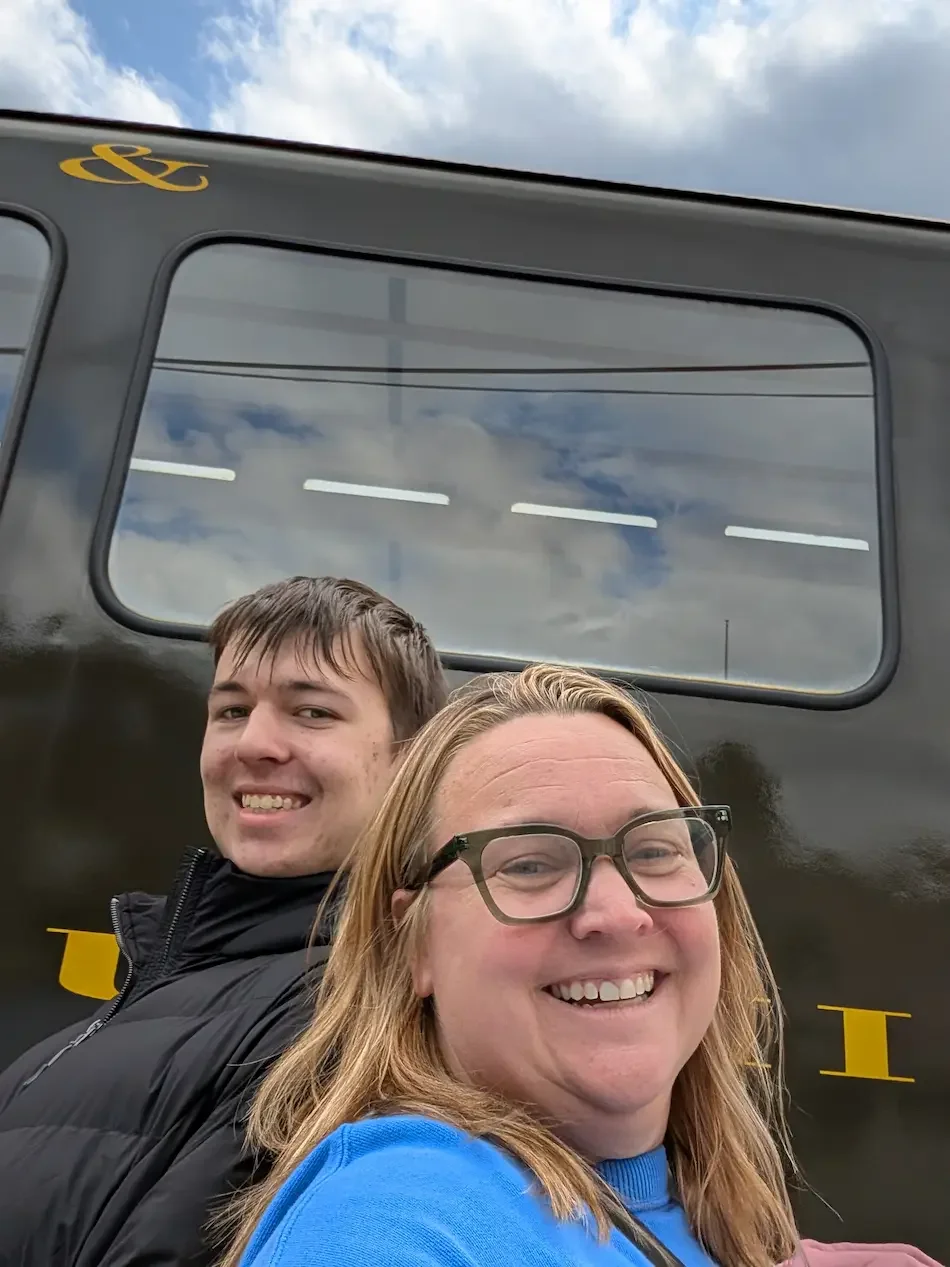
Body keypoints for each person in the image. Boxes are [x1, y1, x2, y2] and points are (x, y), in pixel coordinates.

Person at [218, 662, 800, 1267]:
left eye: (655, 850)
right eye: (528, 864)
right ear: (409, 944)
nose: (618, 913)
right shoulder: (396, 1220)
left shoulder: (701, 1214)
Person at [0, 575, 447, 1267]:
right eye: (232, 710)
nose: (254, 744)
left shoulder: (342, 1012)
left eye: (313, 713)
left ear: (408, 759)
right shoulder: (186, 968)